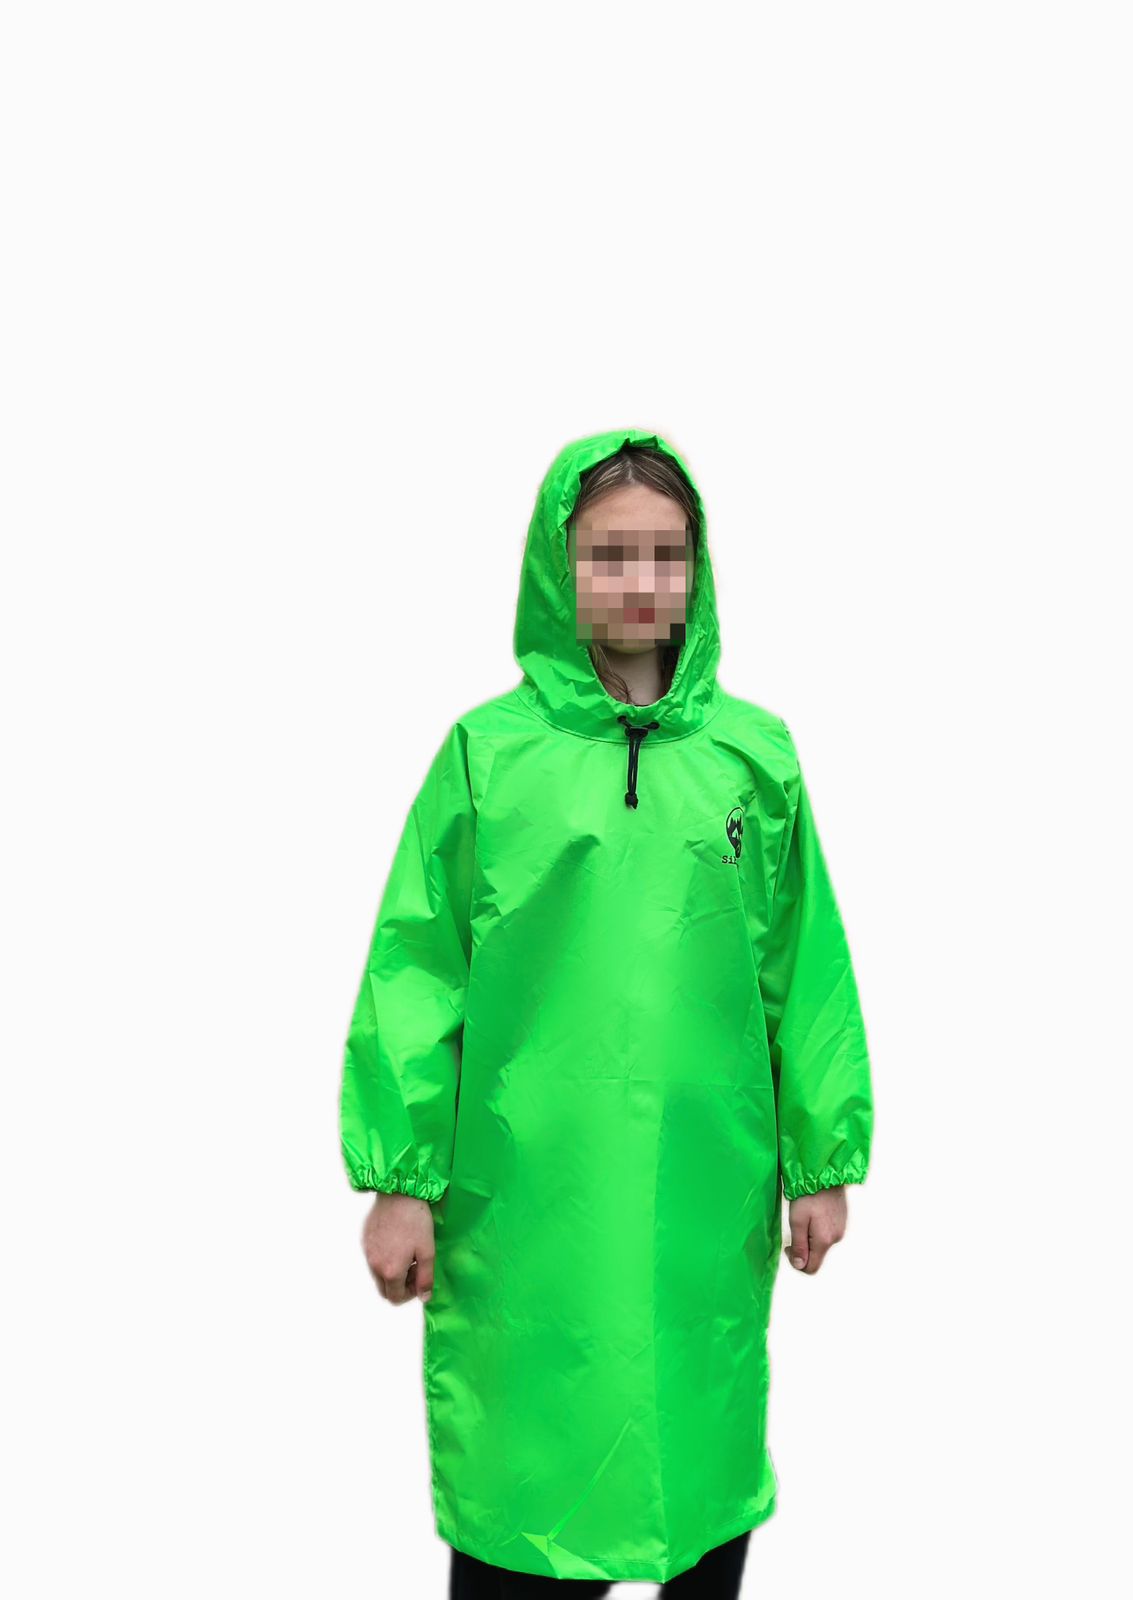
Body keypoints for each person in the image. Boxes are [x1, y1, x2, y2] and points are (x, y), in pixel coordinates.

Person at [340, 428, 875, 1596]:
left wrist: (820, 1156)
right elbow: (417, 968)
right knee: (530, 1482)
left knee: (695, 1452)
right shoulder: (489, 757)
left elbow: (803, 970)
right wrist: (401, 1177)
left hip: (701, 1191)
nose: (640, 582)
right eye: (608, 554)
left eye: (665, 554)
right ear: (555, 566)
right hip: (525, 1198)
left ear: (698, 568)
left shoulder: (750, 757)